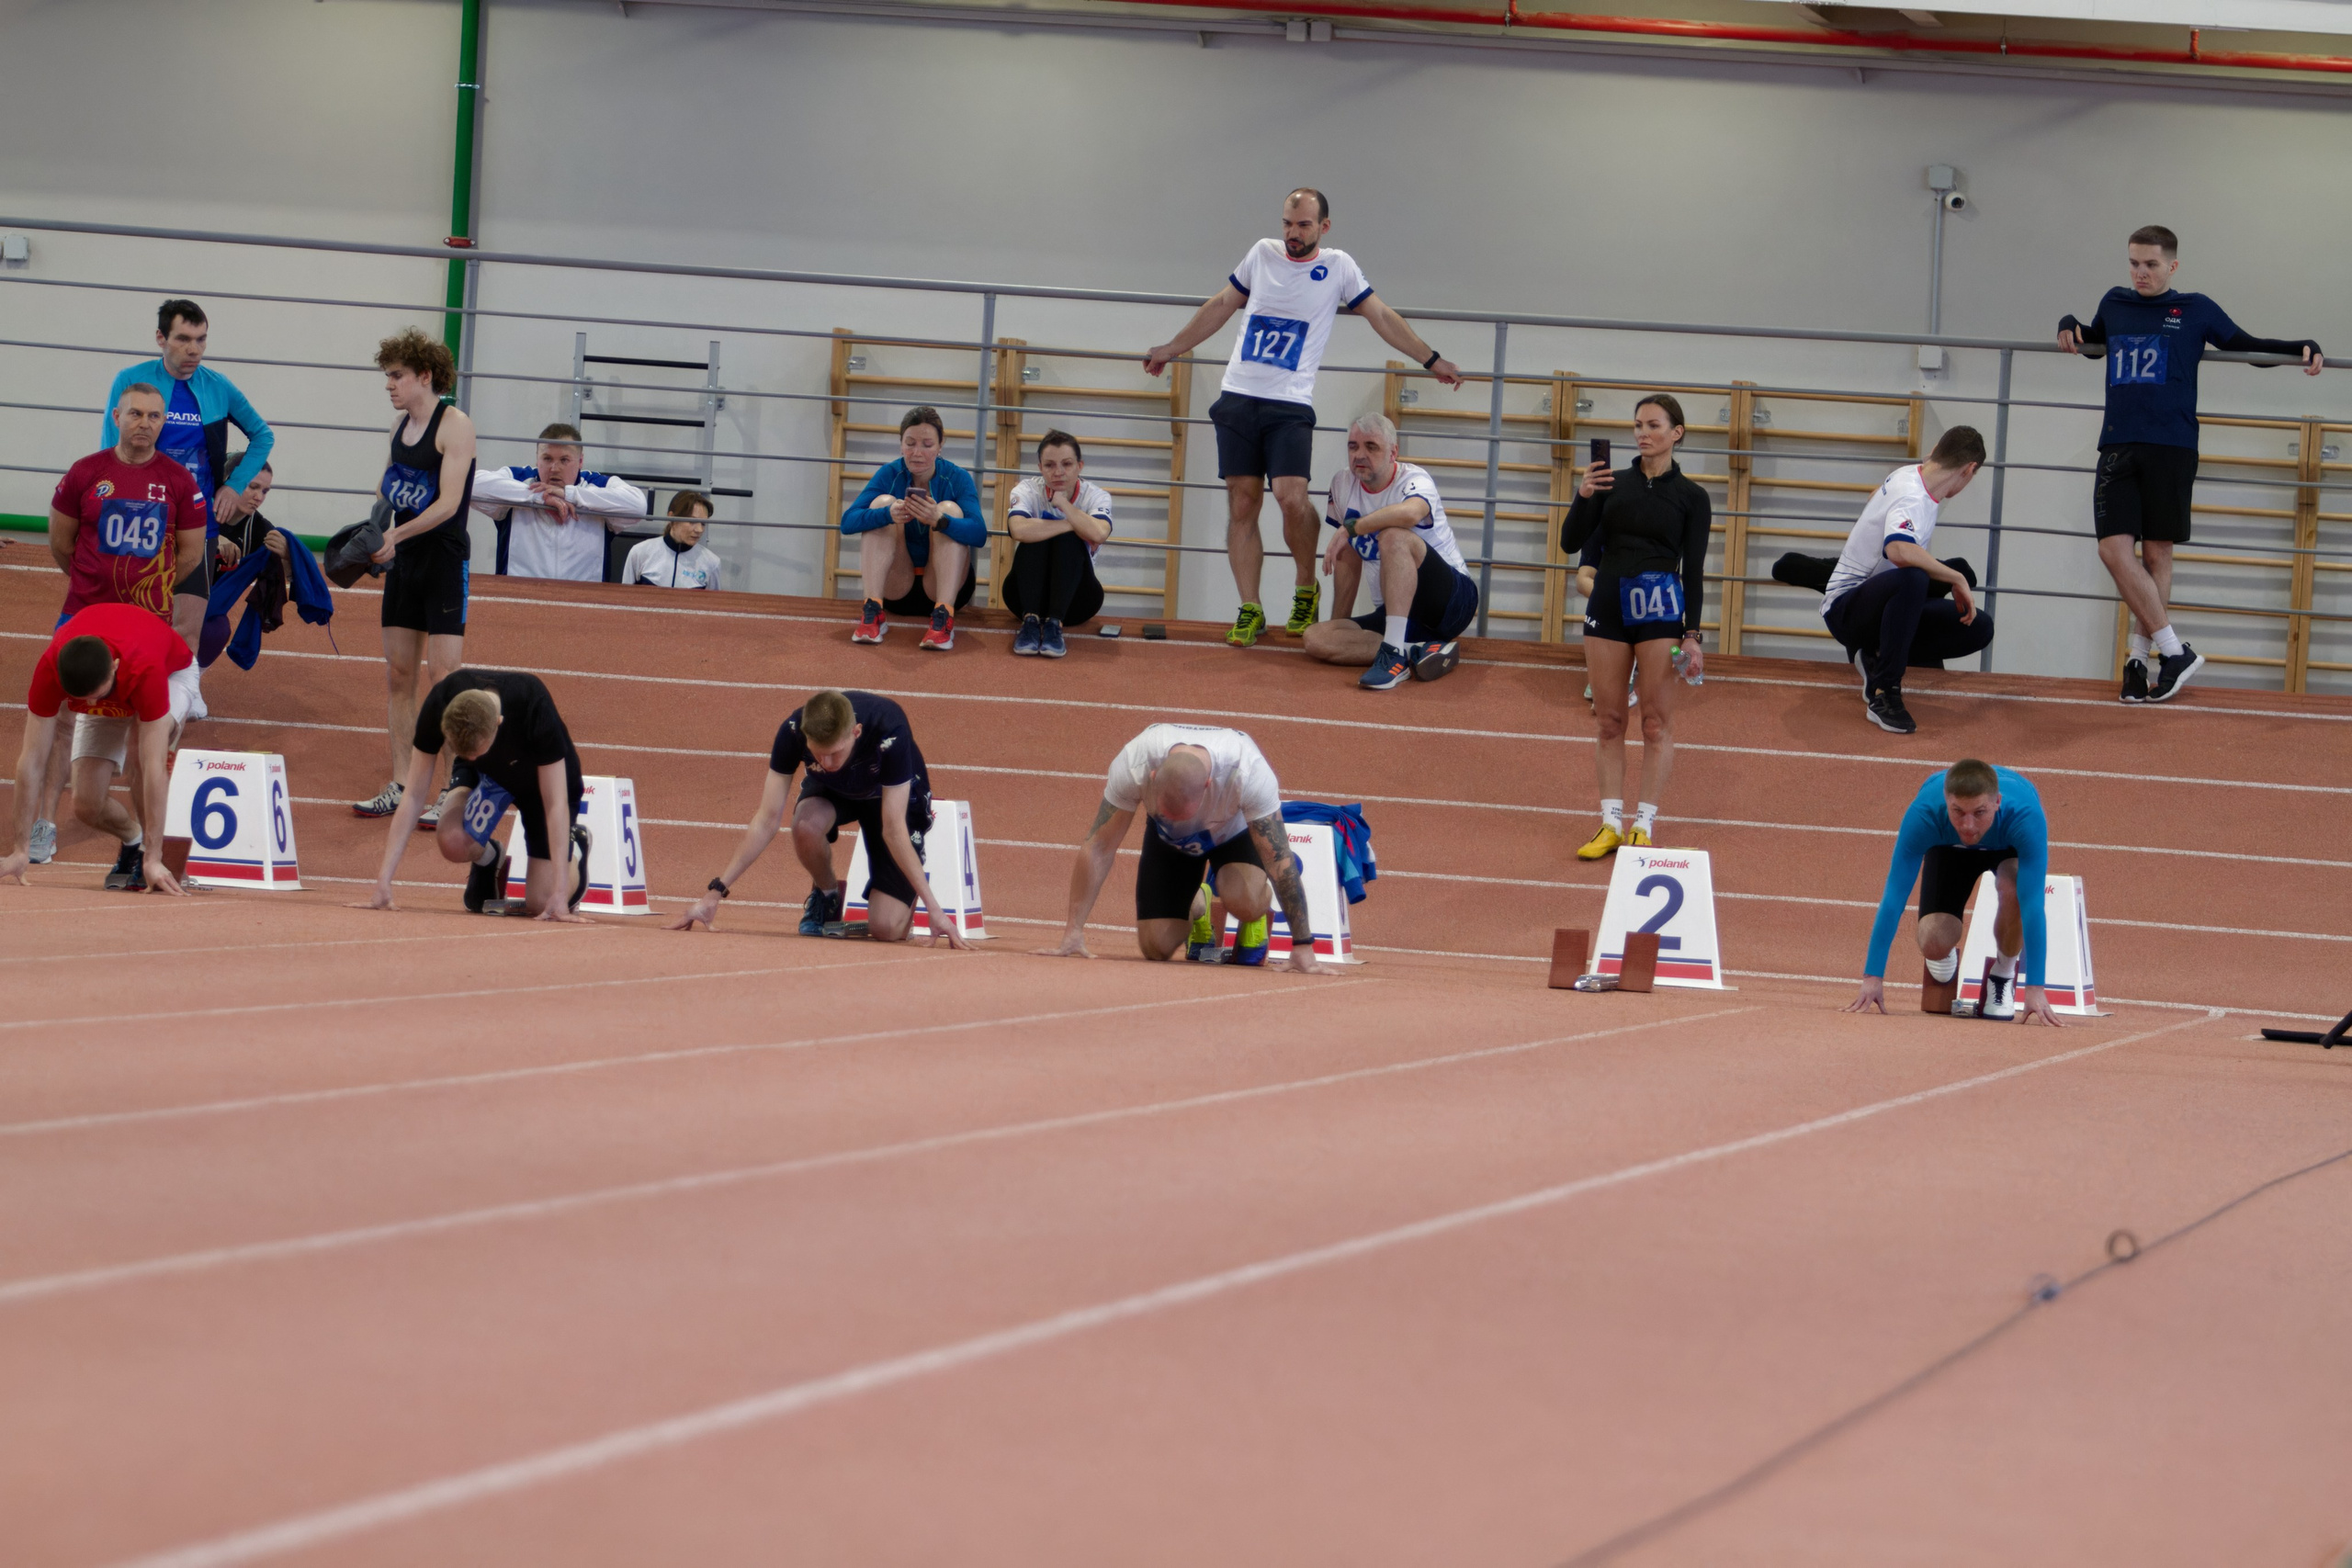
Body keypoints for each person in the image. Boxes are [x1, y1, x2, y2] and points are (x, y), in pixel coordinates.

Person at [1143, 188, 1464, 648]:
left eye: (1304, 226)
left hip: (1289, 401)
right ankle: (1250, 607)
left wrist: (1431, 360)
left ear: (1324, 227)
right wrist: (1171, 348)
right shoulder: (1261, 254)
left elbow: (1381, 315)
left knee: (1291, 496)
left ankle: (1304, 586)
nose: (1293, 234)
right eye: (1288, 224)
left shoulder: (1338, 266)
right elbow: (1220, 305)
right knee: (1242, 501)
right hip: (1238, 395)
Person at [2057, 225, 2324, 705]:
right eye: (2135, 263)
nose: (2141, 272)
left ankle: (2138, 662)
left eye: (2151, 264)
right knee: (2113, 551)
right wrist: (2068, 318)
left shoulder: (2195, 308)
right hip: (2118, 444)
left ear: (2172, 266)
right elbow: (2093, 339)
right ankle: (2174, 651)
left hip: (2172, 446)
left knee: (2156, 555)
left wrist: (2297, 347)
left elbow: (2245, 345)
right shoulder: (2115, 302)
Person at [24, 383, 209, 866]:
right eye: (135, 414)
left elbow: (190, 554)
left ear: (162, 422)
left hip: (146, 626)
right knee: (63, 720)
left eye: (154, 416)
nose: (145, 423)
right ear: (116, 416)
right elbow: (61, 544)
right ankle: (43, 823)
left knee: (141, 731)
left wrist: (145, 595)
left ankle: (148, 849)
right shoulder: (86, 473)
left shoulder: (178, 481)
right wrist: (94, 595)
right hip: (82, 616)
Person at [668, 689, 970, 948]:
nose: (826, 762)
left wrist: (935, 908)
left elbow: (893, 830)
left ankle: (900, 905)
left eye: (835, 754)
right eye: (818, 754)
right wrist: (713, 895)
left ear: (856, 732)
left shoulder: (888, 729)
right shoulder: (793, 731)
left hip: (888, 795)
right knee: (804, 825)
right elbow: (767, 819)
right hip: (835, 791)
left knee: (887, 929)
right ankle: (827, 895)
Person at [1037, 723, 1321, 974]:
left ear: (1209, 785)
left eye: (1182, 815)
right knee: (1156, 948)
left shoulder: (1249, 770)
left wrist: (1303, 944)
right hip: (1169, 843)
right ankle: (1199, 904)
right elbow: (1099, 846)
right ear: (1152, 775)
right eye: (1167, 811)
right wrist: (1073, 932)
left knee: (1245, 901)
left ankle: (1253, 910)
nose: (1179, 821)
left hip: (1232, 836)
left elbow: (1279, 859)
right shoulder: (1134, 761)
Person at [1557, 393, 1710, 860]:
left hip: (1661, 611)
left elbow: (1696, 569)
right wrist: (1583, 495)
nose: (1643, 433)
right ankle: (1609, 824)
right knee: (1609, 721)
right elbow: (1569, 543)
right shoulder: (1609, 484)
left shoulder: (1693, 497)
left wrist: (1693, 634)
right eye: (1638, 425)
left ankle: (1643, 824)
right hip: (1608, 606)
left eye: (1654, 425)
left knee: (1655, 723)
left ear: (1676, 433)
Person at [351, 329, 478, 826]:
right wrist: (370, 538)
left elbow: (449, 504)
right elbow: (384, 492)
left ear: (425, 376)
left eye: (397, 376)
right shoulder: (398, 429)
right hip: (404, 562)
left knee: (444, 678)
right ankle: (403, 784)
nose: (390, 385)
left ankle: (455, 788)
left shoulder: (456, 426)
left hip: (443, 561)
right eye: (388, 376)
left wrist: (396, 537)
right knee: (399, 674)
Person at [102, 299, 275, 653]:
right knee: (130, 617)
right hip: (141, 518)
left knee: (186, 624)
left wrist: (233, 485)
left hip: (197, 523)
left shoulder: (219, 387)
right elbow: (110, 450)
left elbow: (263, 435)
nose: (194, 349)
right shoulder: (131, 380)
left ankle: (177, 697)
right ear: (160, 339)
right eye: (183, 339)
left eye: (201, 339)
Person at [1845, 758, 2063, 1026]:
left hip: (2007, 846)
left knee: (2014, 886)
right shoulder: (1924, 815)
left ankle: (2003, 973)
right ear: (1946, 802)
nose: (1969, 825)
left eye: (1979, 812)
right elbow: (1894, 897)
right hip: (1950, 847)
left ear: (1997, 802)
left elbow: (2032, 905)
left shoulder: (2025, 816)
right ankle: (1942, 955)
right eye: (1958, 811)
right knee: (1933, 941)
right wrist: (1872, 977)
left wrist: (2035, 988)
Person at [0, 604, 198, 895]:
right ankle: (133, 838)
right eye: (82, 700)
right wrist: (20, 849)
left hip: (171, 674)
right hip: (111, 681)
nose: (91, 707)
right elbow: (31, 761)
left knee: (139, 751)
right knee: (86, 803)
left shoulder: (145, 668)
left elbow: (154, 766)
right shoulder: (50, 668)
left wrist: (154, 857)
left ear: (114, 667)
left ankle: (149, 854)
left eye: (96, 697)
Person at [359, 671, 589, 920]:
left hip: (538, 783)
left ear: (499, 722)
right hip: (485, 773)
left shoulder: (533, 703)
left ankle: (577, 847)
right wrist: (383, 882)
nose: (469, 756)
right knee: (452, 840)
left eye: (475, 752)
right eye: (462, 751)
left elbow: (555, 804)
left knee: (541, 902)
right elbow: (414, 795)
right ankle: (490, 859)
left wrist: (560, 891)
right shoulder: (442, 701)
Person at [1821, 428, 1994, 735]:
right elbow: (1898, 550)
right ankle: (1884, 693)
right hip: (1845, 611)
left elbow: (1875, 497)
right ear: (1970, 470)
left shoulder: (1911, 475)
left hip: (1876, 604)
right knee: (1913, 576)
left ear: (1936, 449)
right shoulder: (1914, 496)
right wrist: (1955, 578)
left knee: (1978, 626)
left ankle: (1875, 654)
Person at [1302, 412, 1477, 689]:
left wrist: (1351, 527)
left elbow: (1410, 515)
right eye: (1353, 446)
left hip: (1451, 602)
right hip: (1397, 612)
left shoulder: (1415, 479)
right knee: (1316, 637)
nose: (1359, 454)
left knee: (1394, 536)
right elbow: (1348, 558)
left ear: (1393, 452)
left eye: (1371, 446)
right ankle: (1416, 647)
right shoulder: (1343, 484)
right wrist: (1340, 626)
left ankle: (1394, 656)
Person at [841, 407, 985, 650]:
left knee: (949, 509)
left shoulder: (957, 478)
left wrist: (940, 520)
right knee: (881, 504)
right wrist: (887, 515)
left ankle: (944, 617)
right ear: (900, 445)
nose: (917, 453)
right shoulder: (890, 474)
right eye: (910, 444)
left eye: (927, 445)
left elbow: (979, 533)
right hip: (897, 590)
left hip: (941, 588)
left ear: (941, 446)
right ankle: (873, 610)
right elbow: (848, 522)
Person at [473, 423, 650, 581]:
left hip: (582, 604)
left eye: (564, 460)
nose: (554, 468)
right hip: (519, 602)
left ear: (580, 461)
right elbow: (471, 485)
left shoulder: (597, 485)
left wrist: (570, 495)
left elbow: (638, 506)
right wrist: (539, 497)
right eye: (547, 458)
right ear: (537, 458)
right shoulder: (518, 479)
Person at [1003, 431, 1113, 657]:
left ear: (1080, 466)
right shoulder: (1026, 490)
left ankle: (1055, 625)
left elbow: (1100, 533)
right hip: (1024, 597)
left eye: (1067, 464)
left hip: (1077, 602)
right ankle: (1030, 623)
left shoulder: (1097, 496)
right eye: (1050, 465)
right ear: (1040, 467)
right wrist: (1072, 524)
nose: (1058, 472)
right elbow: (1018, 530)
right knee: (1039, 533)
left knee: (1065, 539)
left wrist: (1064, 506)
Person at [198, 454, 291, 668]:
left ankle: (191, 683)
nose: (259, 497)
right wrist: (212, 539)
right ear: (230, 480)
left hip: (205, 608)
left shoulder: (259, 530)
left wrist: (287, 556)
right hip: (163, 596)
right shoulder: (198, 505)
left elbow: (288, 575)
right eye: (253, 486)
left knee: (217, 629)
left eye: (265, 491)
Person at [625, 491, 724, 590]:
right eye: (692, 521)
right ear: (672, 517)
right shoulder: (639, 553)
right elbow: (624, 599)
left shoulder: (711, 563)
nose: (699, 530)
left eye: (703, 523)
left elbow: (713, 603)